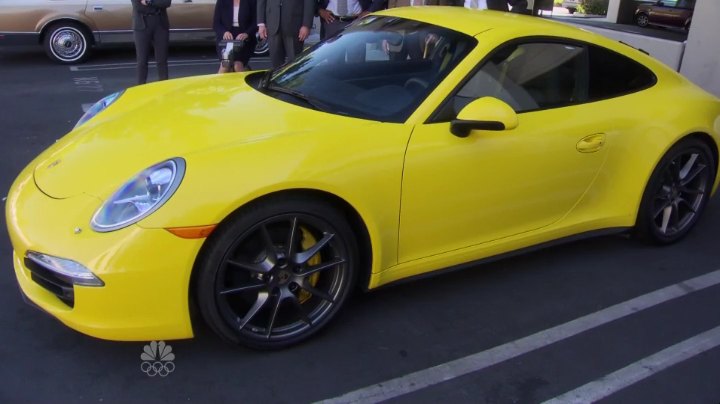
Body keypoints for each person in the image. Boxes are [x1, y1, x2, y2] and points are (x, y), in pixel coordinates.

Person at [257, 0, 315, 68]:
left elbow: (309, 2)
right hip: (272, 23)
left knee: (295, 64)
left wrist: (306, 25)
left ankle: (294, 78)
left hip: (294, 24)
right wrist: (261, 24)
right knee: (276, 65)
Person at [131, 0, 172, 85]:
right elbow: (138, 6)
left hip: (161, 25)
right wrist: (157, 7)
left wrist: (149, 2)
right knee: (142, 60)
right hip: (141, 26)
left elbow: (166, 3)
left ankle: (164, 86)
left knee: (162, 59)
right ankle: (140, 87)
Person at [214, 0, 258, 73]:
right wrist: (224, 32)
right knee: (225, 65)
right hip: (226, 38)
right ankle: (217, 84)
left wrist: (246, 33)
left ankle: (242, 79)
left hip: (244, 38)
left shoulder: (251, 1)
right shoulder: (222, 1)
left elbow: (255, 23)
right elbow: (216, 24)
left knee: (237, 65)